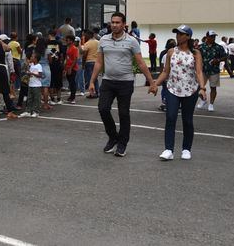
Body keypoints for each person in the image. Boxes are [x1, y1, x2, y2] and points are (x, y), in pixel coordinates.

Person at [88, 12, 155, 157]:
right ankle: (113, 138)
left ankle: (122, 144)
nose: (114, 25)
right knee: (103, 109)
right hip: (107, 81)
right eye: (112, 22)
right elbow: (99, 62)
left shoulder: (132, 41)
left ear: (124, 24)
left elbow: (141, 63)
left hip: (125, 82)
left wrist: (151, 82)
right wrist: (92, 82)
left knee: (123, 113)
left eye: (118, 22)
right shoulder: (104, 40)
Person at [151, 25, 206, 161]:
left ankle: (186, 149)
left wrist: (203, 88)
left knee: (187, 120)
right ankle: (168, 149)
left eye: (181, 34)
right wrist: (155, 84)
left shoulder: (196, 53)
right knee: (170, 117)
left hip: (190, 90)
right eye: (177, 33)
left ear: (188, 36)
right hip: (172, 89)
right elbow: (165, 71)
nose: (178, 36)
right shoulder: (171, 52)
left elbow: (199, 72)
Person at [197, 30, 227, 112]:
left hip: (214, 71)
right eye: (211, 36)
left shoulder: (218, 47)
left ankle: (211, 104)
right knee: (199, 87)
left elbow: (225, 57)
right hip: (203, 70)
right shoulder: (200, 47)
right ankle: (203, 99)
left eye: (214, 37)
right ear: (207, 37)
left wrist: (217, 60)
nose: (213, 38)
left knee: (213, 88)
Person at [19, 52, 43, 118]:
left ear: (36, 59)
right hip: (31, 84)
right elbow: (27, 70)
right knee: (29, 98)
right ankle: (28, 111)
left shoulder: (39, 66)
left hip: (37, 85)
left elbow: (40, 75)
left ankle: (36, 111)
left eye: (33, 57)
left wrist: (32, 73)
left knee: (36, 99)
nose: (31, 58)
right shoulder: (31, 64)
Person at [46, 30, 63, 104]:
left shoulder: (46, 43)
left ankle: (52, 98)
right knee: (58, 81)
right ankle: (59, 98)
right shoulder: (59, 43)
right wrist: (61, 62)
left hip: (49, 65)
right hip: (58, 64)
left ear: (49, 35)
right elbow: (62, 54)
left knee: (51, 81)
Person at [35, 38, 53, 110]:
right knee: (46, 87)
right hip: (46, 68)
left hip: (38, 68)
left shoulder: (35, 51)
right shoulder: (47, 51)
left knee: (38, 87)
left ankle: (38, 104)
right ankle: (46, 104)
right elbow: (50, 61)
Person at [82, 30, 100, 99]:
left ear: (89, 35)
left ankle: (92, 93)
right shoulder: (98, 42)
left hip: (89, 62)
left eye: (86, 35)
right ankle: (97, 92)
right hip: (97, 62)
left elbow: (84, 55)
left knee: (90, 79)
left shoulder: (87, 43)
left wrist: (83, 64)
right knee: (95, 78)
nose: (85, 36)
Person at [64, 35, 79, 104]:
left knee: (72, 82)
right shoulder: (68, 48)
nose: (67, 41)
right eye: (66, 40)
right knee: (70, 82)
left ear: (71, 41)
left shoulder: (74, 48)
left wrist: (70, 68)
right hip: (67, 67)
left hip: (72, 68)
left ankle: (73, 98)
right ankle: (71, 97)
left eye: (68, 40)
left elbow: (75, 59)